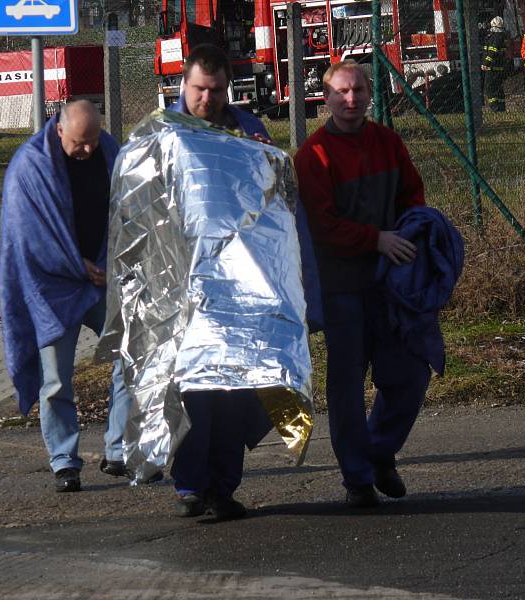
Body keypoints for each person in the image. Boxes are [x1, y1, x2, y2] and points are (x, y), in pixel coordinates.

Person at [166, 43, 322, 520]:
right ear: (183, 85)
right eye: (198, 89)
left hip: (244, 289)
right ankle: (190, 485)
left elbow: (280, 209)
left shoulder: (248, 132)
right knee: (195, 392)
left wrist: (298, 287)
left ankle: (223, 487)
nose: (206, 99)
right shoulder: (166, 138)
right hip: (187, 291)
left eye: (215, 90)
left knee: (236, 392)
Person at [293, 61, 435, 508]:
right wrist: (376, 239)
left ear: (370, 94)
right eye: (341, 92)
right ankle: (357, 478)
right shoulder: (313, 155)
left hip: (390, 285)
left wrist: (409, 233)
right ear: (326, 98)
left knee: (410, 372)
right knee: (347, 388)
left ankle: (379, 453)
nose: (350, 99)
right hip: (342, 288)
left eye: (357, 91)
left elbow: (413, 193)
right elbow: (323, 224)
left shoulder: (387, 142)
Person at [0, 100, 137, 493]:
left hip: (103, 276)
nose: (88, 150)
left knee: (131, 352)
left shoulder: (110, 152)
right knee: (57, 379)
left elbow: (130, 212)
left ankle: (118, 449)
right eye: (80, 143)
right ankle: (64, 460)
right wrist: (77, 265)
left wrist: (109, 262)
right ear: (59, 130)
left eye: (94, 140)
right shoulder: (30, 166)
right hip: (53, 287)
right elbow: (27, 236)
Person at [481, 16, 508, 112]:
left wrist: (486, 63)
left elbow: (492, 52)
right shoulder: (502, 37)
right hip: (499, 67)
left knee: (489, 88)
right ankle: (501, 108)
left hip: (492, 68)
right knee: (498, 88)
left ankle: (495, 108)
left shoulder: (495, 37)